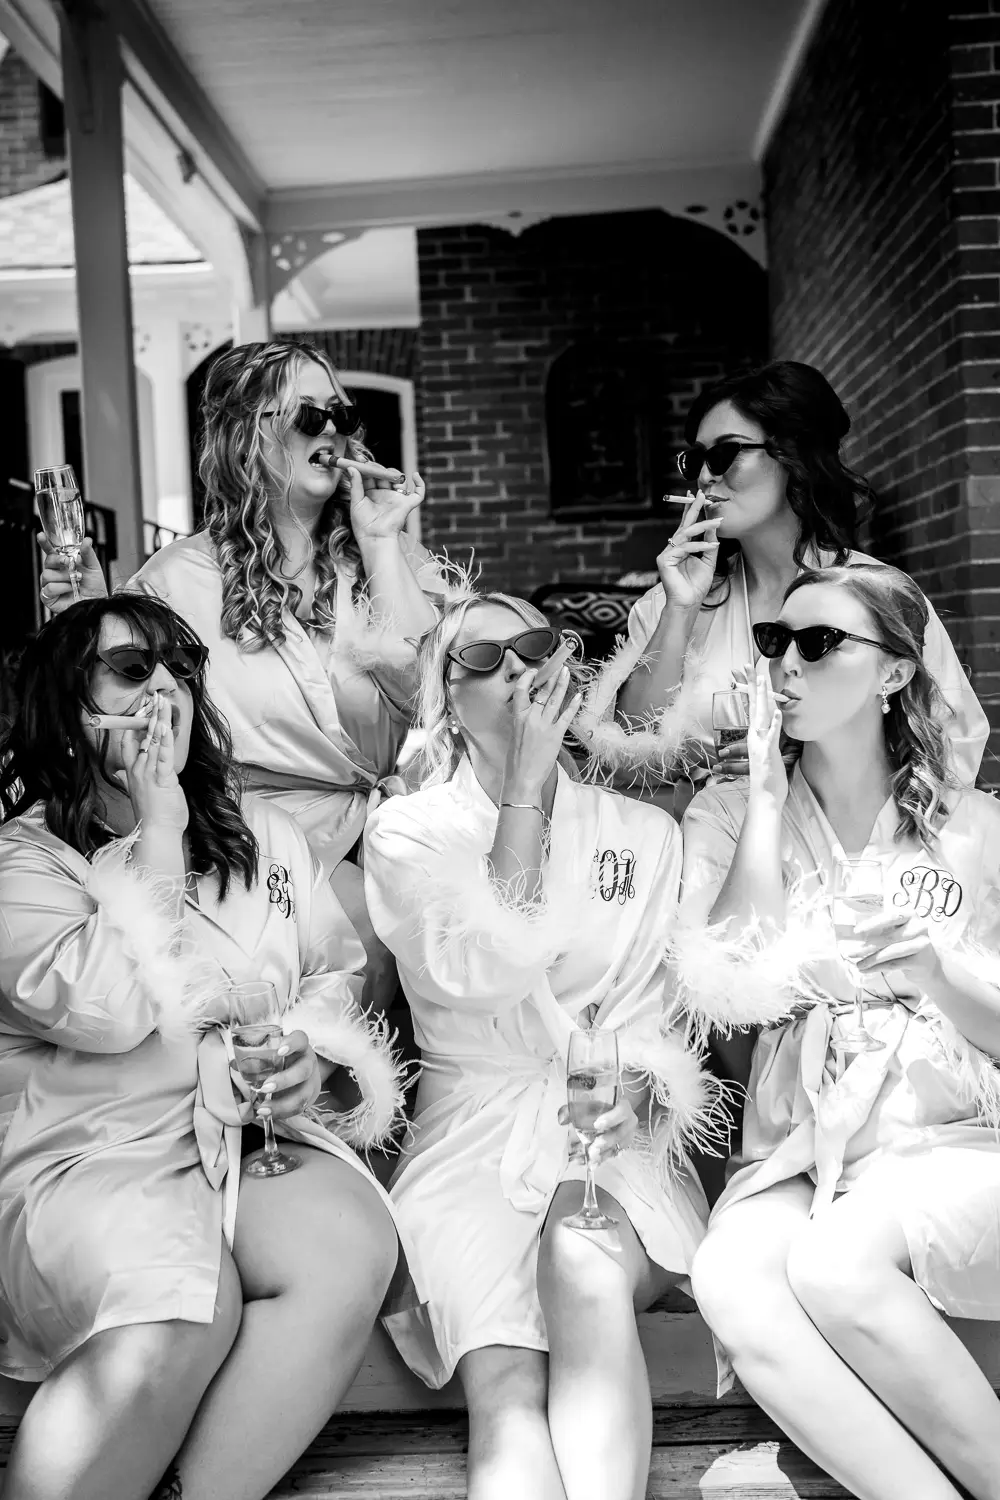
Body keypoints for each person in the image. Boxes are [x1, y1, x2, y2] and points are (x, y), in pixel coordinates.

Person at [0, 595, 409, 1500]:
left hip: (243, 1137)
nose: (164, 688)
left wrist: (311, 1053)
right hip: (95, 1153)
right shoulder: (21, 864)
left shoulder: (264, 831)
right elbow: (110, 1009)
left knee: (347, 1246)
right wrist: (158, 832)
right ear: (67, 704)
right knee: (186, 1306)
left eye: (179, 666)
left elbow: (334, 970)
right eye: (131, 669)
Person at [363, 592, 726, 1500]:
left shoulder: (641, 834)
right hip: (471, 1135)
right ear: (445, 698)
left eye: (532, 644)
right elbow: (484, 968)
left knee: (586, 1257)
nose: (518, 667)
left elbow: (657, 1017)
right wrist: (523, 788)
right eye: (484, 658)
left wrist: (642, 1090)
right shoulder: (408, 831)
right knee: (507, 1390)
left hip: (615, 1126)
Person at [677, 563, 1000, 1500]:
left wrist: (935, 974)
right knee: (731, 1276)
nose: (786, 664)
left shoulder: (977, 828)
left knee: (834, 1263)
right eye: (774, 640)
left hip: (954, 1135)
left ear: (894, 673)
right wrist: (766, 804)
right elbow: (728, 991)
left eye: (820, 644)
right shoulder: (727, 813)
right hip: (804, 1146)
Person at [38, 339, 449, 1008]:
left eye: (342, 414)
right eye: (308, 415)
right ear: (246, 434)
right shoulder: (178, 579)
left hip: (387, 828)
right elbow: (124, 716)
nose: (332, 429)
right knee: (368, 936)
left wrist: (381, 545)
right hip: (247, 836)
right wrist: (86, 619)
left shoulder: (385, 556)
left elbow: (437, 701)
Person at [595, 361, 988, 819]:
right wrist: (681, 609)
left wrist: (793, 760)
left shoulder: (879, 595)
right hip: (704, 847)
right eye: (695, 460)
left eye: (724, 454)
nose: (704, 477)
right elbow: (628, 755)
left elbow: (951, 750)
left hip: (843, 850)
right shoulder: (672, 600)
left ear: (792, 455)